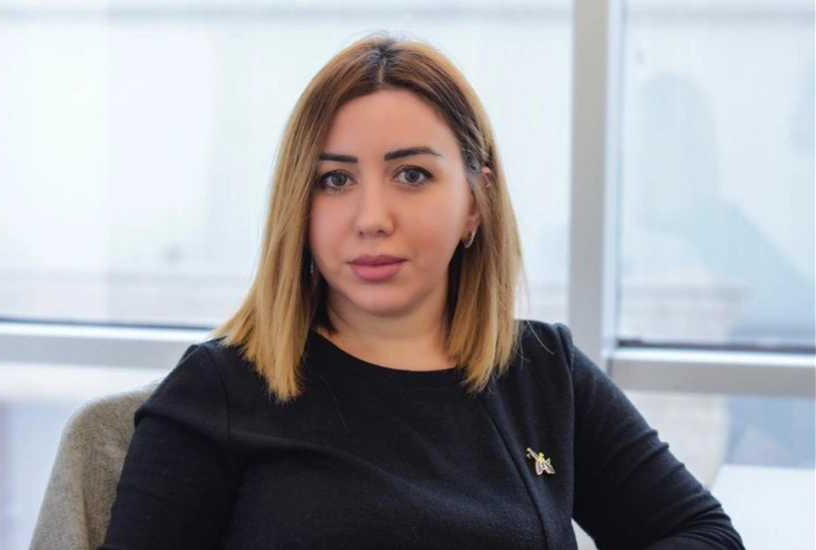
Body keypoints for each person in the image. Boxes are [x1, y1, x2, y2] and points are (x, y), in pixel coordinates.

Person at [98, 35, 744, 549]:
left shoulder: (543, 373)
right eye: (335, 180)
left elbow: (704, 534)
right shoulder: (218, 390)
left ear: (475, 203)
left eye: (411, 175)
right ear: (299, 205)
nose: (372, 217)